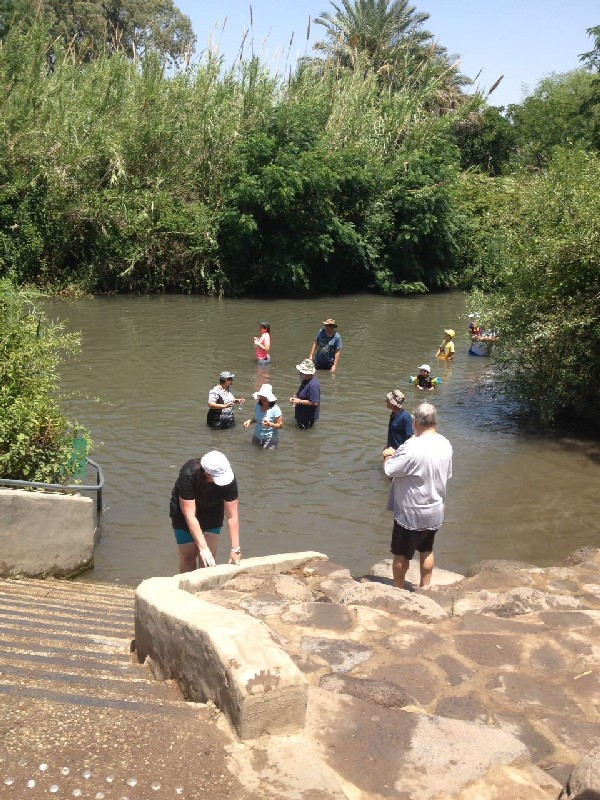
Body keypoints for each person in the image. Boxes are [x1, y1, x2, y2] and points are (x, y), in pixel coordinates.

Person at [382, 403, 452, 590]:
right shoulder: (445, 443)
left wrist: (388, 455)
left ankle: (398, 590)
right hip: (435, 510)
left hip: (411, 513)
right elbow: (447, 475)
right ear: (435, 421)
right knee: (427, 550)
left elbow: (390, 471)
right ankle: (425, 588)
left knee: (401, 554)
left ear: (415, 421)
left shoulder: (411, 446)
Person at [169, 450, 241, 573]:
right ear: (207, 473)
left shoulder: (229, 478)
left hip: (212, 509)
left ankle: (205, 591)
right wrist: (203, 548)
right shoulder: (188, 473)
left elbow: (232, 516)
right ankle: (187, 588)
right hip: (184, 513)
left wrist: (236, 549)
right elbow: (190, 516)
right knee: (189, 556)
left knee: (208, 560)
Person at [243, 383, 283, 449]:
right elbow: (256, 418)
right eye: (261, 397)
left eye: (264, 399)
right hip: (257, 436)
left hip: (270, 439)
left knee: (267, 457)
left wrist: (270, 424)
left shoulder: (275, 409)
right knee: (254, 454)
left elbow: (280, 425)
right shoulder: (258, 406)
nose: (261, 400)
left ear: (269, 399)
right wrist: (249, 421)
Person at [290, 359, 321, 429]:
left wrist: (299, 401)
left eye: (300, 371)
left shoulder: (313, 385)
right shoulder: (305, 381)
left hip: (307, 418)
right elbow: (303, 394)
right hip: (301, 415)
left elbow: (315, 402)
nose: (299, 372)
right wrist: (295, 397)